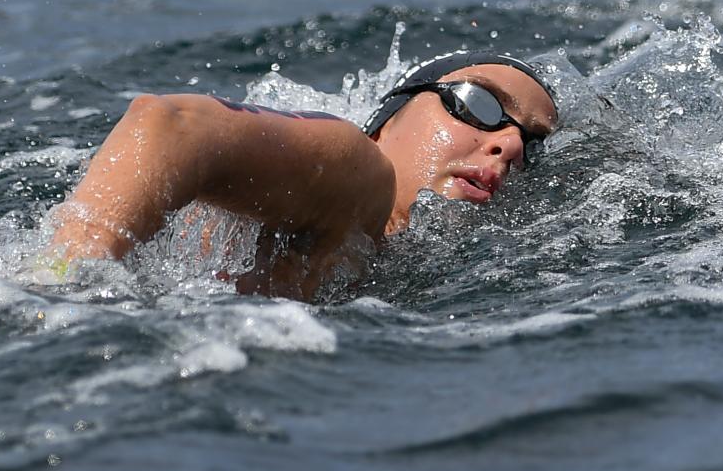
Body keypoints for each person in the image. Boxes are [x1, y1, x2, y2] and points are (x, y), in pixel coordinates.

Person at [48, 50, 559, 300]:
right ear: (388, 117)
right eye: (480, 103)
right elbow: (170, 126)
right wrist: (65, 286)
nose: (509, 144)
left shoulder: (399, 254)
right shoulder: (362, 174)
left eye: (530, 144)